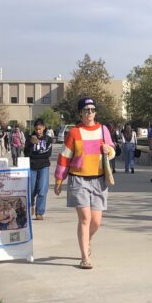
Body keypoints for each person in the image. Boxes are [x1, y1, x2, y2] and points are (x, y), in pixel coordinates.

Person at [54, 97, 116, 269]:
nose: (90, 113)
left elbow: (112, 151)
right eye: (86, 110)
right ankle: (84, 257)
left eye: (92, 110)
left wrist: (108, 150)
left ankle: (87, 240)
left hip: (99, 180)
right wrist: (59, 180)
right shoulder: (74, 132)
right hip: (78, 179)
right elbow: (64, 158)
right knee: (85, 218)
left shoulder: (103, 130)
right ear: (80, 113)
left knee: (96, 221)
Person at [24, 118, 54, 220]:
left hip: (44, 166)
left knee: (42, 190)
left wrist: (36, 155)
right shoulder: (29, 139)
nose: (38, 131)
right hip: (32, 166)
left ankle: (39, 212)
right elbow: (26, 154)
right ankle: (31, 205)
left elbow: (48, 154)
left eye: (40, 129)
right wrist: (31, 144)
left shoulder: (48, 139)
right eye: (36, 129)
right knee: (31, 189)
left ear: (44, 128)